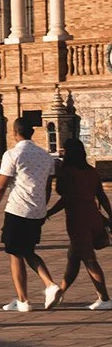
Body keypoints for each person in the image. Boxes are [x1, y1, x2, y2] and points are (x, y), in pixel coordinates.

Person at [0, 114, 59, 312]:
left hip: (18, 209)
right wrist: (43, 207)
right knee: (28, 250)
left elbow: (0, 186)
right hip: (37, 210)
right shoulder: (45, 156)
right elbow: (47, 187)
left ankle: (23, 300)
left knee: (15, 254)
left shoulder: (12, 154)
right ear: (32, 133)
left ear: (14, 132)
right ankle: (50, 285)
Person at [50, 131, 112, 310]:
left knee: (89, 259)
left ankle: (104, 298)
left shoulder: (68, 172)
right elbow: (101, 195)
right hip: (93, 215)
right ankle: (59, 293)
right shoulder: (90, 171)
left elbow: (65, 196)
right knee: (74, 258)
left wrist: (49, 212)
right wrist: (110, 215)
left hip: (77, 219)